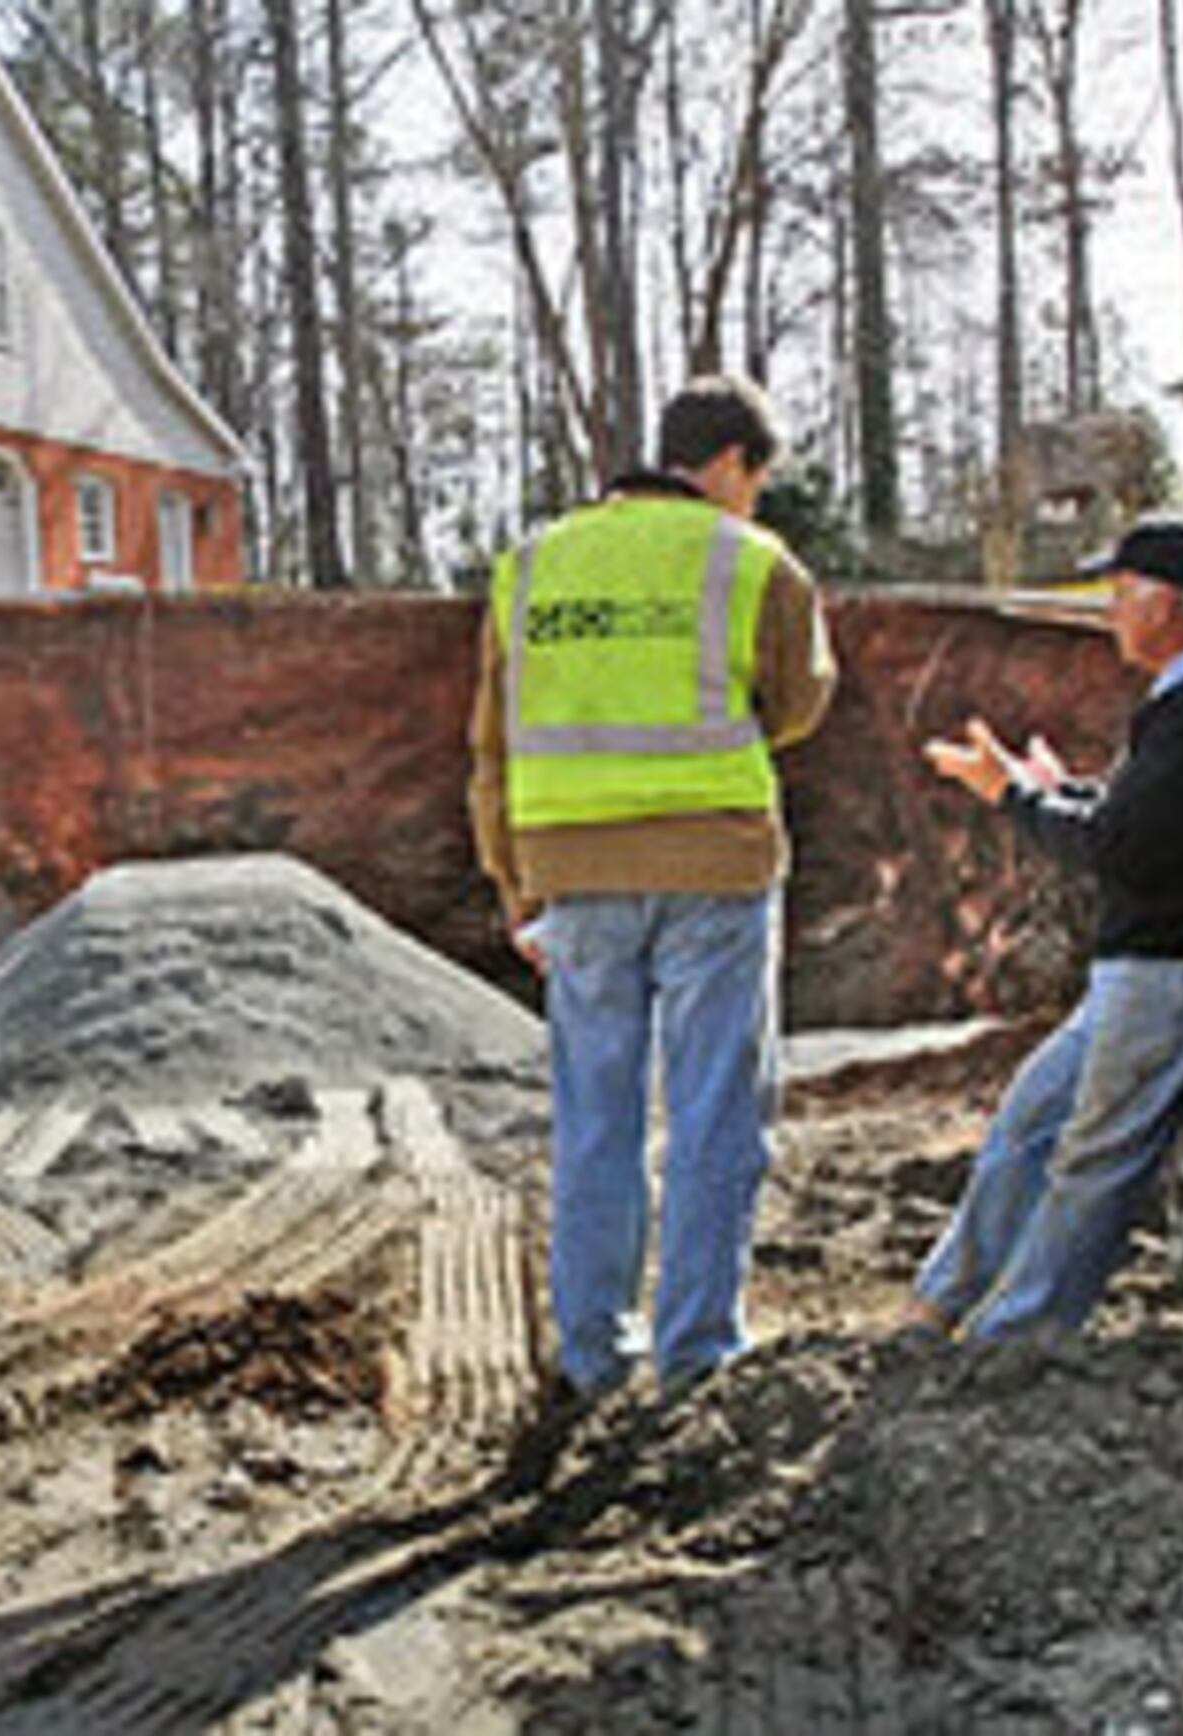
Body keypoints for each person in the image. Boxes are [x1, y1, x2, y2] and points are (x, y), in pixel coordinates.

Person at [471, 374, 838, 1402]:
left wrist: (514, 886)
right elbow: (801, 702)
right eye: (755, 480)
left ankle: (593, 1356)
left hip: (573, 878)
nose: (754, 500)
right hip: (718, 869)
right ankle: (698, 1351)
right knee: (717, 1111)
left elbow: (489, 749)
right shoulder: (756, 562)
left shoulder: (531, 565)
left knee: (597, 1117)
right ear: (731, 463)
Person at [907, 515, 1183, 1343]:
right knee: (1029, 1122)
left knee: (1094, 1156)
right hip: (1153, 968)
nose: (1111, 610)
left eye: (1121, 592)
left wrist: (1012, 798)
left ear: (1166, 604)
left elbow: (1122, 848)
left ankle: (1015, 1339)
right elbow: (1140, 816)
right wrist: (1047, 789)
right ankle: (944, 1299)